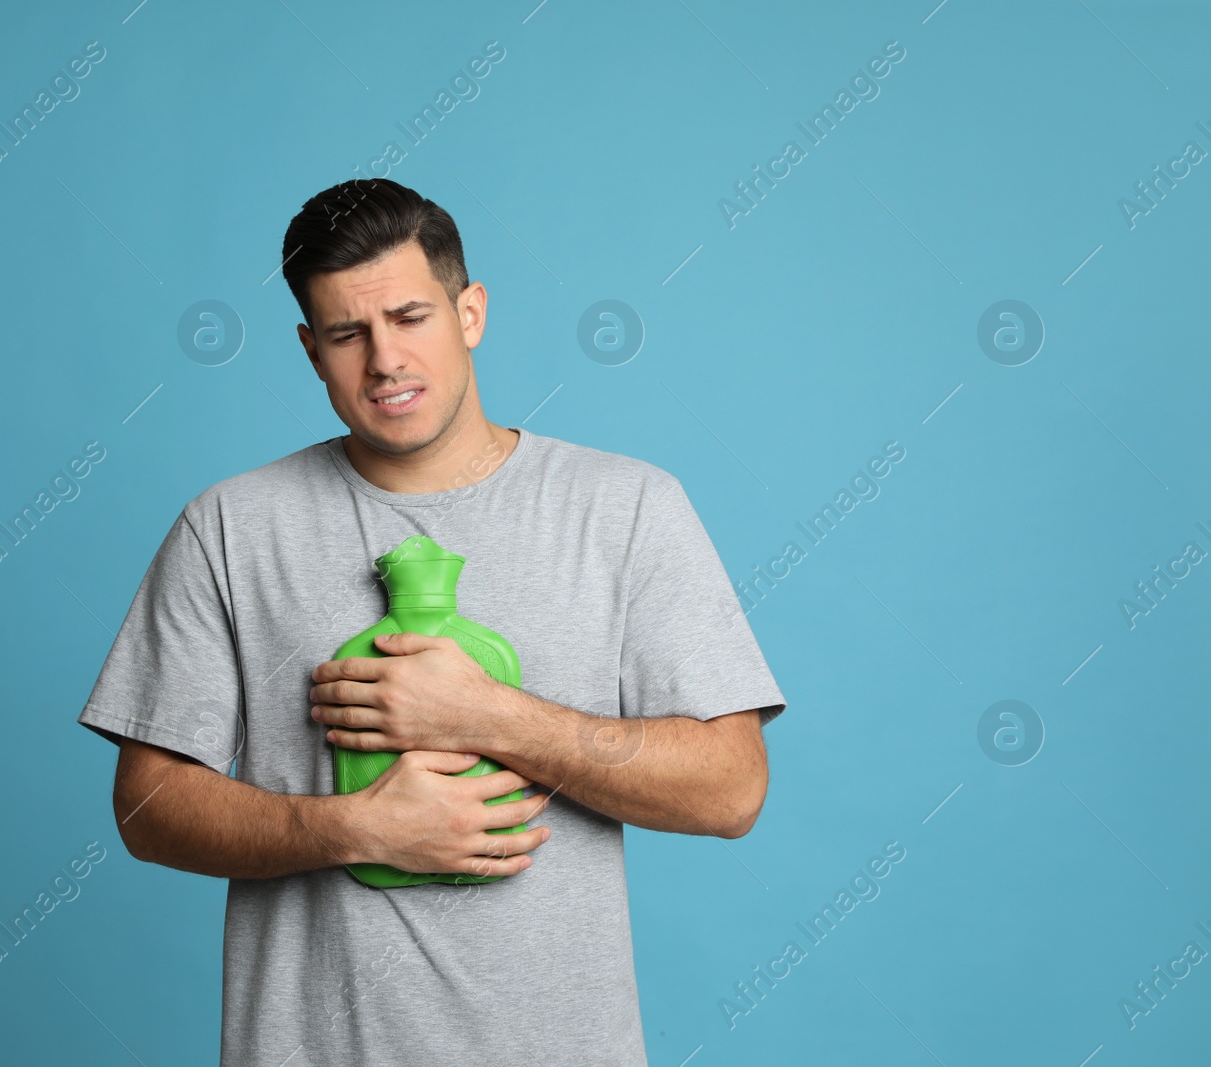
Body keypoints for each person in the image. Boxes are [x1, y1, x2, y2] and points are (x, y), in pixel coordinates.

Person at [77, 177, 787, 1066]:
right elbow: (147, 807)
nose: (384, 360)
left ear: (471, 311)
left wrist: (489, 715)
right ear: (310, 349)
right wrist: (354, 827)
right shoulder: (229, 528)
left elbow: (731, 788)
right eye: (348, 333)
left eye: (411, 317)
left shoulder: (627, 508)